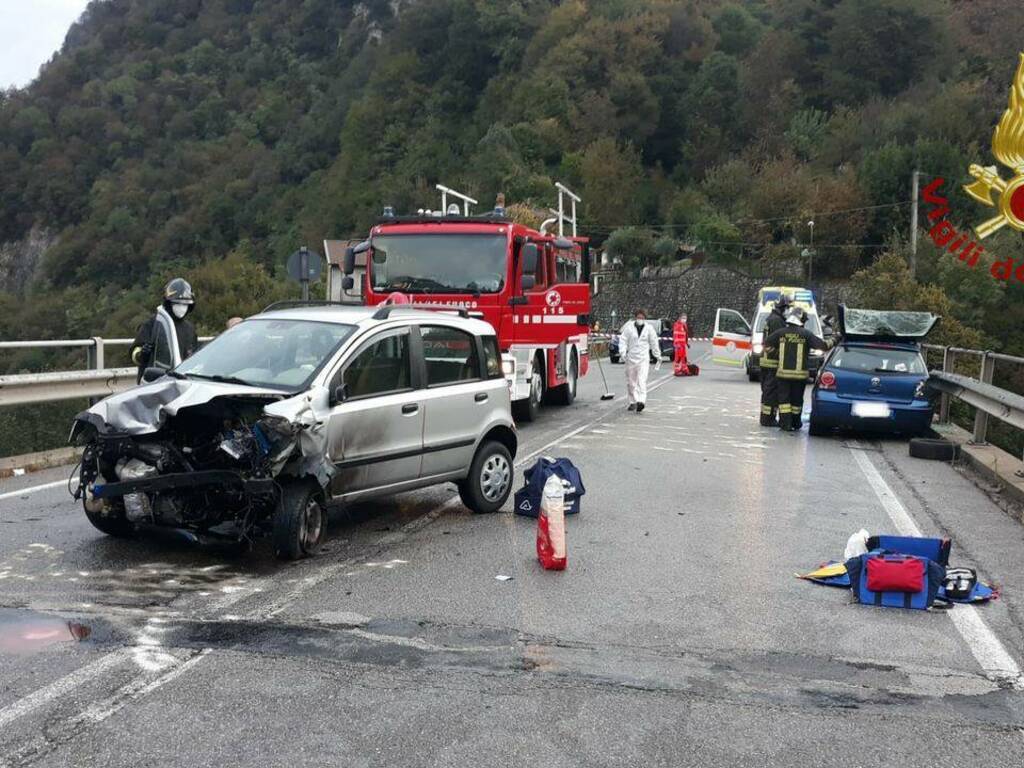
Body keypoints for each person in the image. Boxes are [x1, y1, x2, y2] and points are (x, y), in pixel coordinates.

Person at [763, 306, 837, 431]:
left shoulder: (781, 333)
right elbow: (824, 346)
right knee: (796, 402)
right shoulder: (806, 334)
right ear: (801, 320)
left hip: (783, 376)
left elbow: (766, 345)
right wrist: (835, 339)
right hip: (799, 377)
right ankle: (796, 423)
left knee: (784, 401)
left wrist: (777, 353)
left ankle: (785, 424)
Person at [131, 277, 198, 382]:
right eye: (177, 303)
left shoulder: (190, 329)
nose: (181, 307)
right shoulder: (154, 324)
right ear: (169, 303)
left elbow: (193, 357)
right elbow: (134, 353)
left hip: (182, 382)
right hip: (154, 382)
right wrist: (142, 353)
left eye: (185, 304)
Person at [617, 308, 661, 413]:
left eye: (642, 317)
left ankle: (641, 401)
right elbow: (623, 340)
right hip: (631, 358)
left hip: (643, 359)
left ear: (645, 318)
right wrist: (623, 352)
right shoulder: (629, 328)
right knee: (631, 382)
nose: (640, 319)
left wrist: (657, 355)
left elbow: (654, 342)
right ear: (635, 318)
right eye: (638, 317)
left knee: (642, 380)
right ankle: (633, 401)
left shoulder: (649, 329)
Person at [758, 293, 791, 426]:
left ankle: (767, 417)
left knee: (767, 391)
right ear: (783, 307)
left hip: (767, 361)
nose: (788, 310)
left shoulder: (772, 318)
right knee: (771, 393)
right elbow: (778, 341)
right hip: (772, 362)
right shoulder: (777, 321)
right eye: (788, 307)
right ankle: (768, 419)